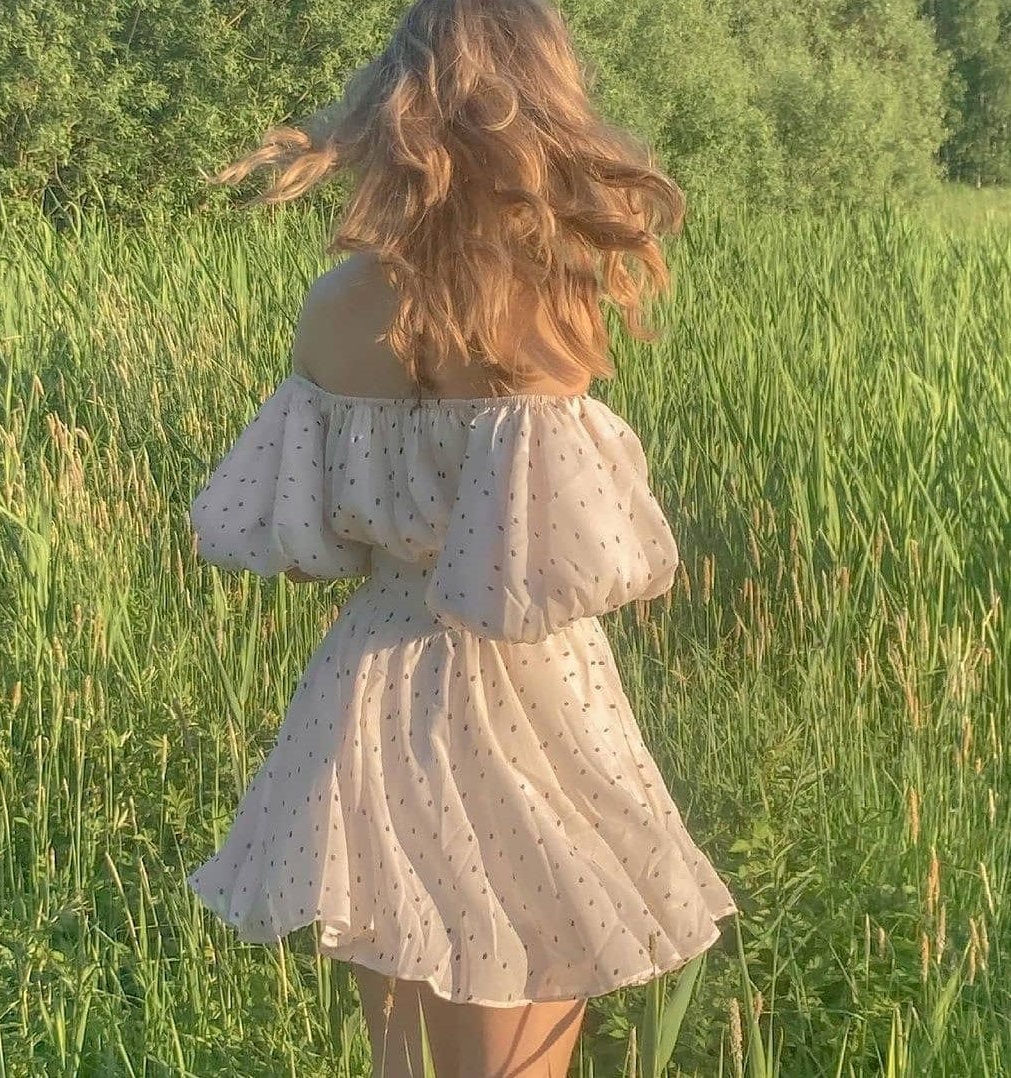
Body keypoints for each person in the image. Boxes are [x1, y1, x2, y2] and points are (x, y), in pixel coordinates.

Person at [185, 0, 739, 1074]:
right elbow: (576, 565)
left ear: (391, 112)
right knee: (518, 1029)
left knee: (401, 1048)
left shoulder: (335, 306)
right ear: (542, 108)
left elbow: (301, 538)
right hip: (525, 696)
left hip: (369, 682)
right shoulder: (540, 308)